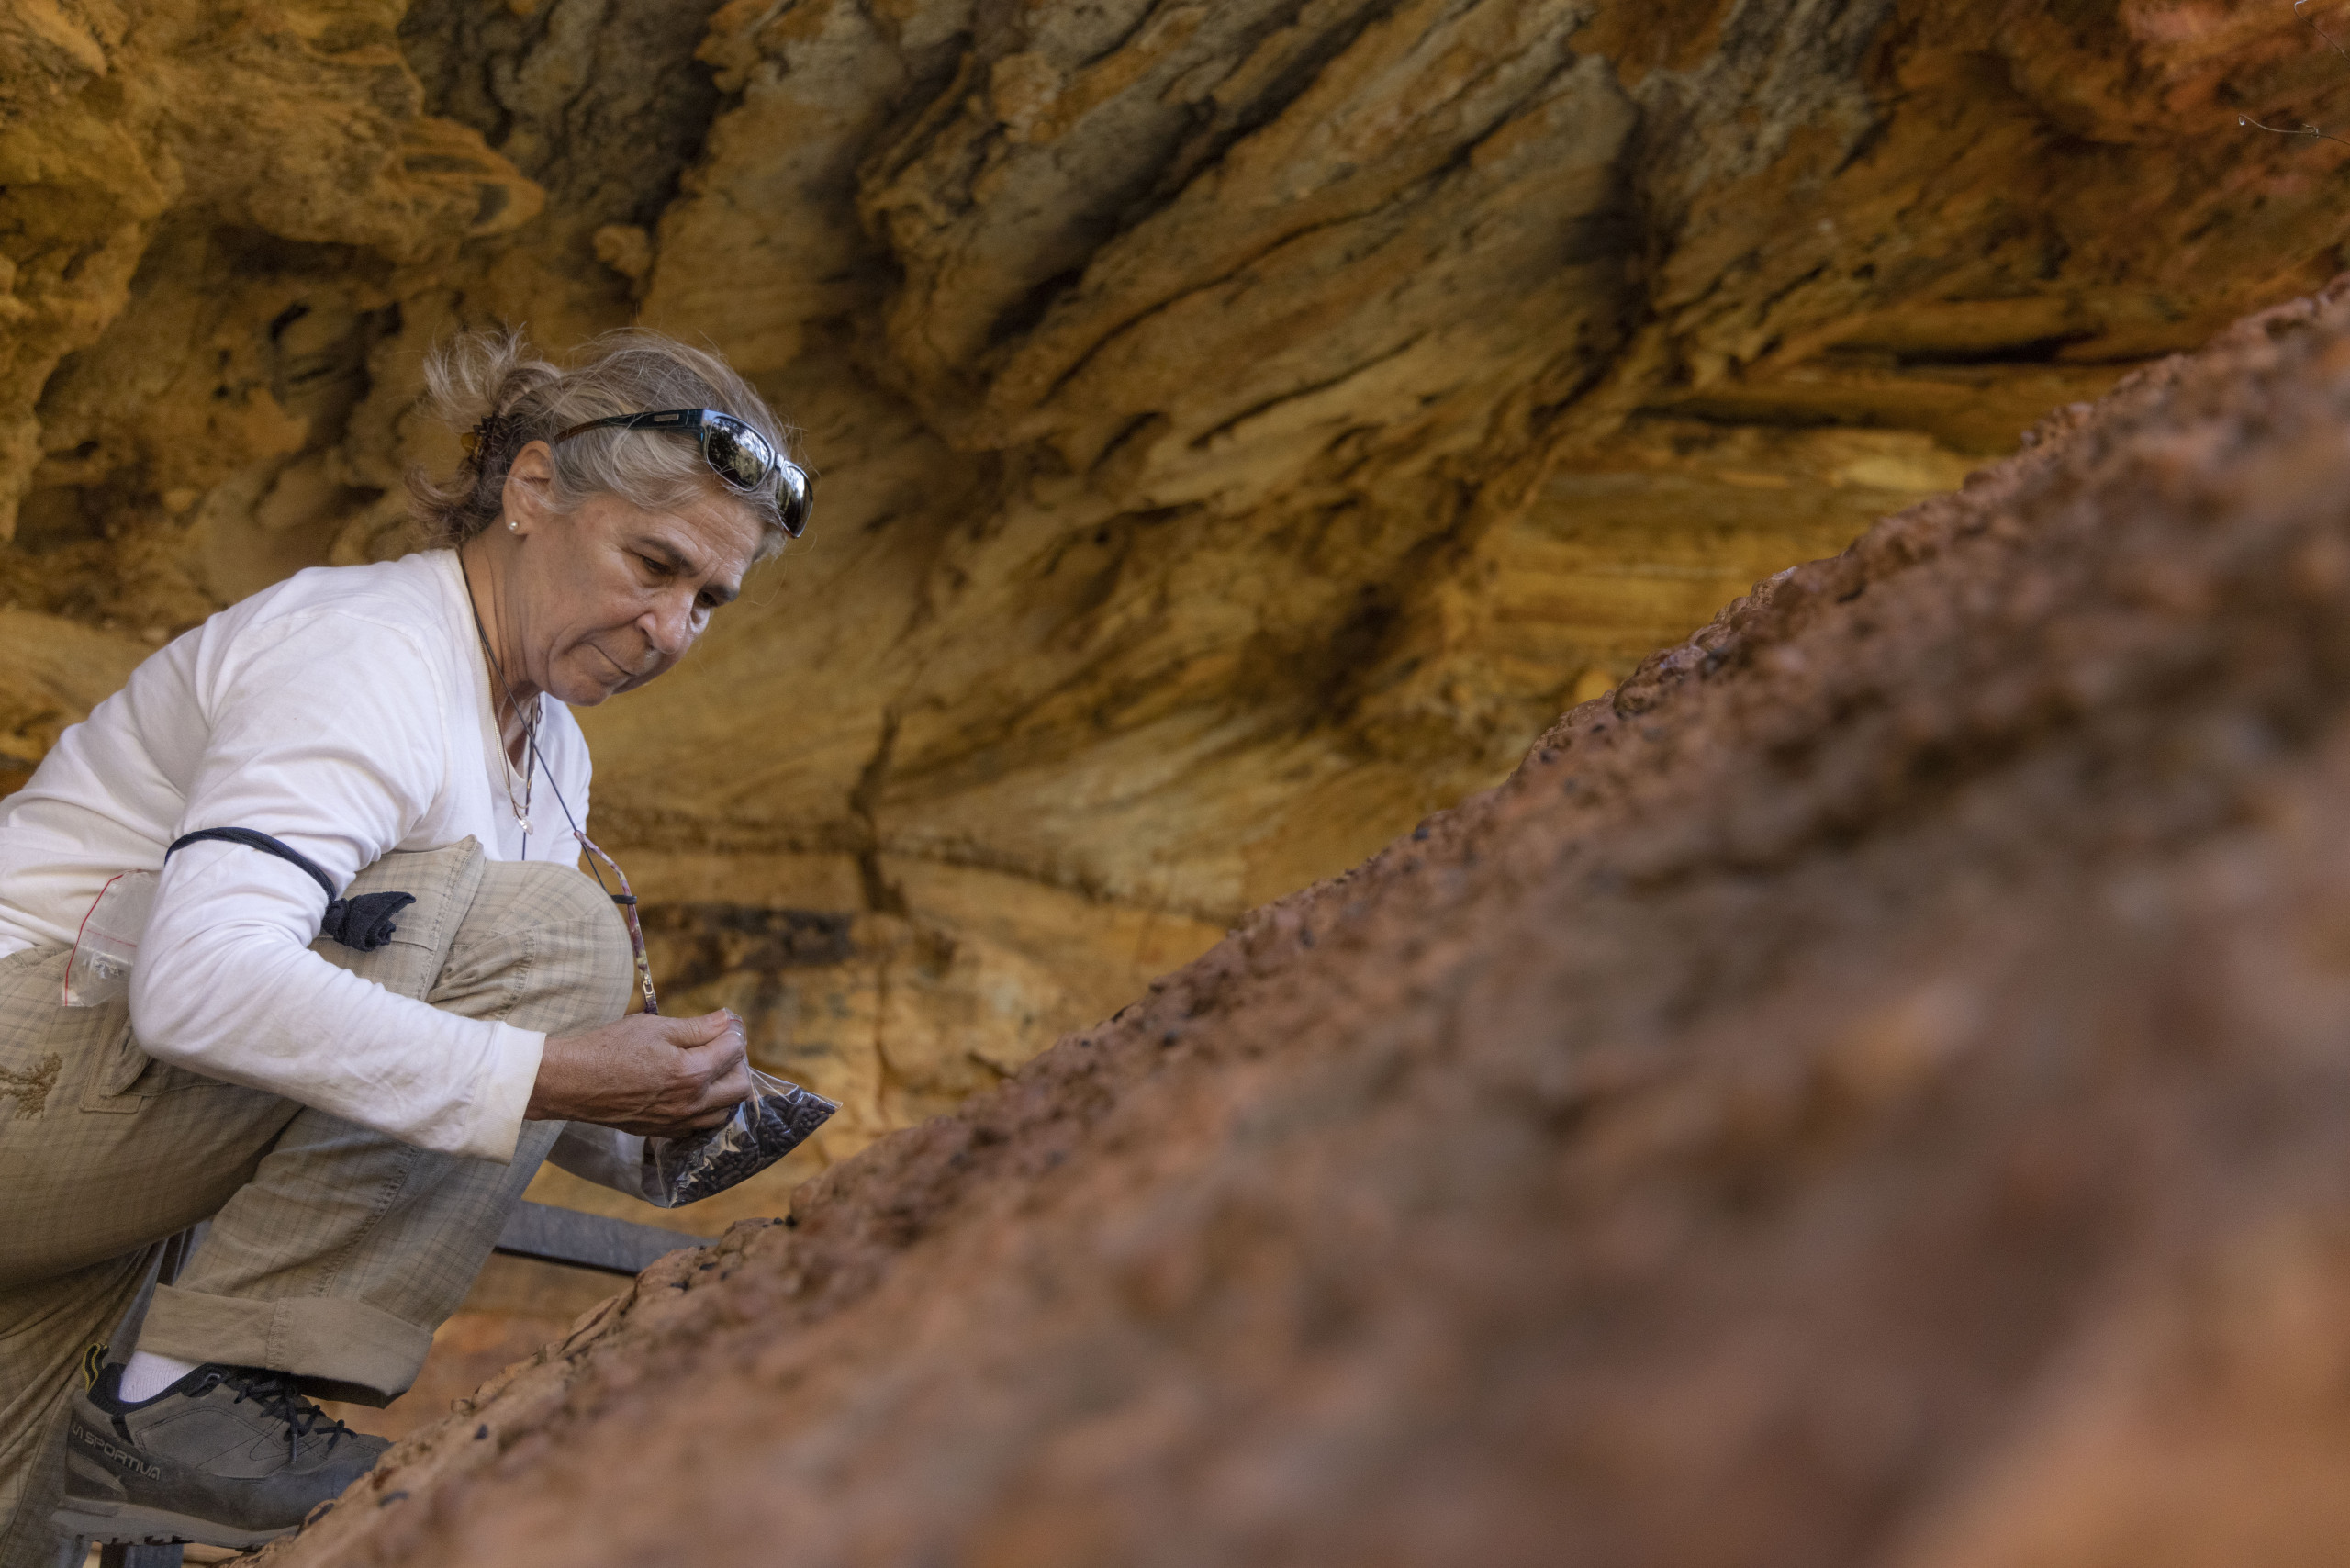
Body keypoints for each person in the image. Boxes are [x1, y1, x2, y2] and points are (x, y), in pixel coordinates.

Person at [0, 327, 812, 1563]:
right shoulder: (369, 648)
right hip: (32, 1065)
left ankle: (162, 1409)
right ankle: (186, 1396)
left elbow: (443, 1033)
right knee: (552, 934)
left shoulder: (553, 750)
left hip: (98, 1158)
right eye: (654, 563)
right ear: (533, 490)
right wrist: (557, 1073)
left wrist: (668, 1111)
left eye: (707, 599)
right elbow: (204, 982)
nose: (670, 629)